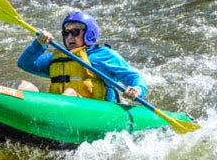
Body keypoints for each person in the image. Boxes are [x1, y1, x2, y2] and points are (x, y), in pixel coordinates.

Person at [17, 11, 147, 102]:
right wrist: (38, 44)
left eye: (75, 32)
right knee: (25, 86)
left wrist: (136, 89)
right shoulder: (56, 57)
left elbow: (133, 77)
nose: (69, 37)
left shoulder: (103, 55)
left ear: (89, 34)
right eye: (66, 33)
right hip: (60, 106)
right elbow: (25, 64)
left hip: (97, 111)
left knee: (69, 93)